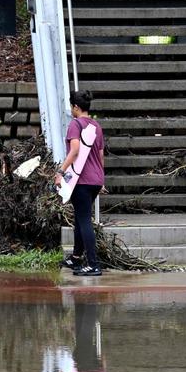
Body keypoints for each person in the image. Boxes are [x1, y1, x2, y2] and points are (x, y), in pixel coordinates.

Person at [55, 90, 105, 276]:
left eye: (72, 107)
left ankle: (93, 264)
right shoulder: (96, 126)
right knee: (80, 217)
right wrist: (102, 179)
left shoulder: (75, 125)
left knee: (84, 220)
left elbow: (75, 150)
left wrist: (60, 171)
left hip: (81, 180)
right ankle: (76, 258)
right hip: (95, 180)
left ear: (76, 107)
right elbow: (100, 155)